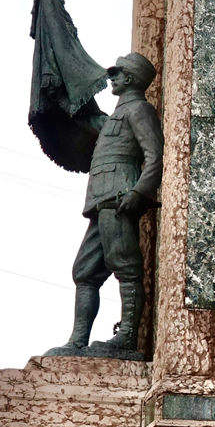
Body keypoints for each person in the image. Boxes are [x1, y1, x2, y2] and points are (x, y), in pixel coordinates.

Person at [45, 53, 163, 359]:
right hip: (101, 201)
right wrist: (62, 92)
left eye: (117, 73)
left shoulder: (139, 110)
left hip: (118, 199)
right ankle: (78, 340)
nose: (112, 77)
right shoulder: (116, 116)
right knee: (84, 271)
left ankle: (126, 338)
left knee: (125, 266)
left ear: (131, 79)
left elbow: (154, 156)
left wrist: (139, 192)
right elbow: (88, 118)